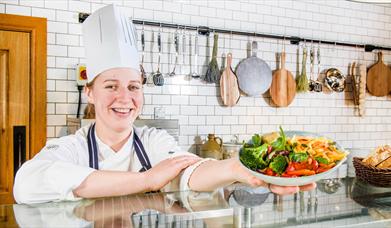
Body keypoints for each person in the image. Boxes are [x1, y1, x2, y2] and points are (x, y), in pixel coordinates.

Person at [13, 4, 315, 204]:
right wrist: (147, 179)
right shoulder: (71, 147)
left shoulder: (154, 140)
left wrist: (241, 167)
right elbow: (26, 184)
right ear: (90, 93)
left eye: (133, 86)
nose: (124, 98)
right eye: (110, 86)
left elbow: (193, 171)